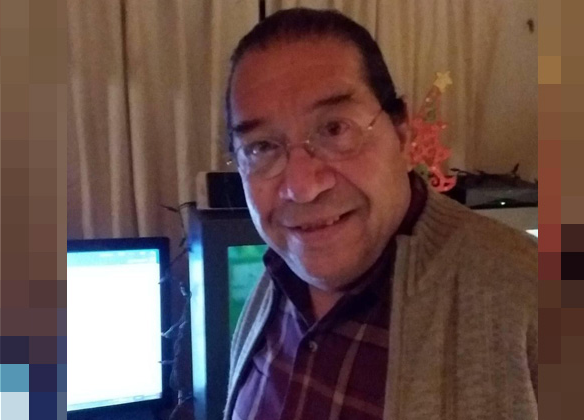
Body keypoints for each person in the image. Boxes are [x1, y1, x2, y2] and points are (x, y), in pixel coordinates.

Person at [223, 8, 537, 420]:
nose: (301, 186)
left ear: (403, 136)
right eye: (262, 147)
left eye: (335, 129)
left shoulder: (535, 297)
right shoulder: (273, 282)